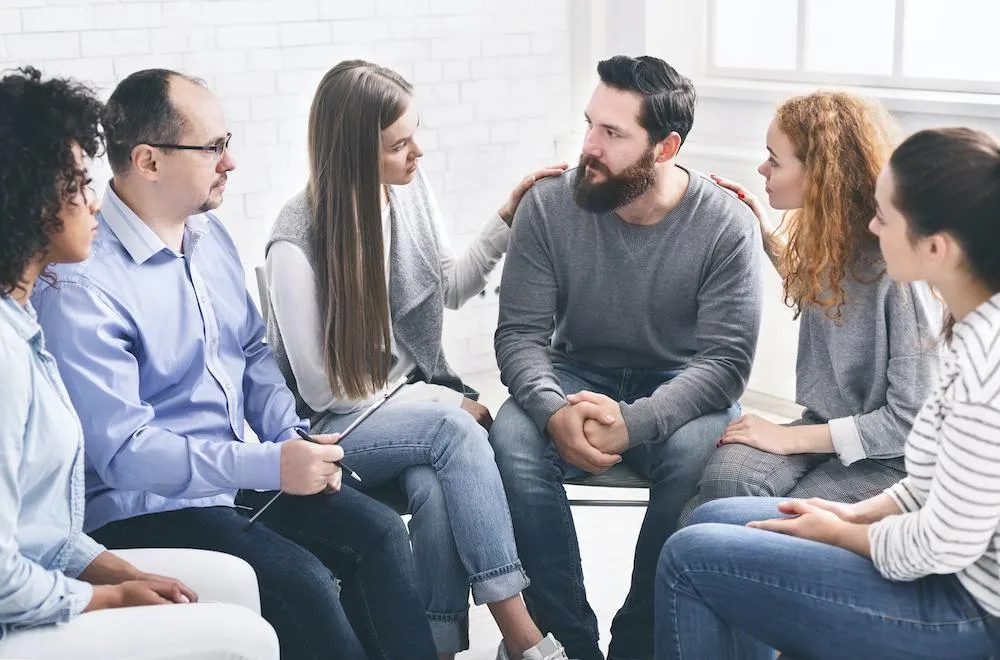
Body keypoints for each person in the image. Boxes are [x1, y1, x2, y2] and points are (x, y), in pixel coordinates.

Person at [30, 68, 438, 660]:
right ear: (148, 161)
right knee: (302, 581)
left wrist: (290, 437)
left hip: (229, 485)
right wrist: (270, 465)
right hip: (141, 509)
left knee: (377, 532)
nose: (231, 162)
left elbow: (251, 351)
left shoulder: (209, 237)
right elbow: (123, 453)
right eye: (214, 147)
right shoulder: (82, 287)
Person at [656, 126, 1000, 660]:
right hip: (946, 570)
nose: (871, 224)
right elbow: (929, 484)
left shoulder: (982, 369)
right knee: (709, 519)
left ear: (936, 248)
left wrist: (841, 536)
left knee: (689, 556)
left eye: (885, 216)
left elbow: (942, 544)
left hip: (966, 611)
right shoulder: (974, 324)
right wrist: (856, 515)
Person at [265, 59, 570, 660]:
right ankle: (522, 633)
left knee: (434, 486)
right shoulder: (295, 241)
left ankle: (432, 646)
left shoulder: (405, 193)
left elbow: (447, 288)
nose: (417, 154)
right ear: (353, 153)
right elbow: (325, 394)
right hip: (331, 428)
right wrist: (439, 399)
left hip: (404, 406)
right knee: (456, 430)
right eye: (398, 144)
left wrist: (507, 218)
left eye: (414, 134)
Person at [489, 55, 763, 660]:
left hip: (681, 380)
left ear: (665, 147)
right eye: (590, 123)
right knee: (511, 442)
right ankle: (567, 643)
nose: (589, 146)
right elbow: (520, 336)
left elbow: (724, 363)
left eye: (612, 133)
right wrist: (551, 408)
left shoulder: (725, 222)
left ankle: (641, 641)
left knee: (699, 456)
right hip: (572, 373)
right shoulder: (547, 206)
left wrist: (634, 423)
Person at [0, 66, 277, 660]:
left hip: (56, 571)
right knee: (248, 637)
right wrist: (101, 598)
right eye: (76, 185)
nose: (94, 200)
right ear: (25, 201)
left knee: (239, 587)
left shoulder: (23, 325)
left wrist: (110, 569)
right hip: (18, 618)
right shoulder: (14, 348)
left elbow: (40, 530)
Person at [681, 92, 940, 519]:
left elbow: (910, 424)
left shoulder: (899, 273)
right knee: (724, 483)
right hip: (826, 429)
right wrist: (765, 232)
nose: (762, 169)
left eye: (774, 161)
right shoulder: (838, 245)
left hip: (897, 458)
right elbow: (830, 295)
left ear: (819, 175)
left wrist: (790, 439)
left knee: (776, 517)